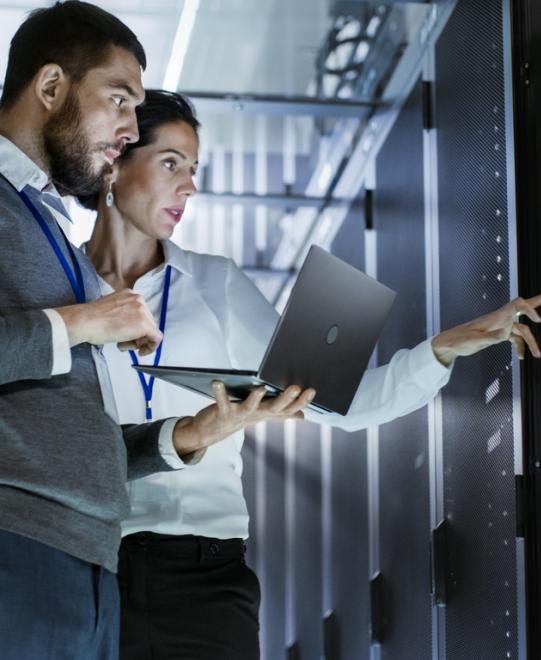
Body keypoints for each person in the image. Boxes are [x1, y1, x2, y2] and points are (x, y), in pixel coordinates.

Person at [81, 89, 541, 660]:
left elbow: (341, 403)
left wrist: (443, 349)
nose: (190, 186)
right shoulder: (61, 290)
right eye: (170, 163)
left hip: (203, 577)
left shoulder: (216, 284)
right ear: (116, 161)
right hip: (89, 569)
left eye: (194, 169)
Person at [0, 4, 314, 660]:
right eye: (118, 100)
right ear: (51, 87)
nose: (124, 127)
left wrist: (187, 436)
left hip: (87, 565)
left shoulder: (47, 223)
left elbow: (69, 427)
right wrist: (89, 320)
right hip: (19, 548)